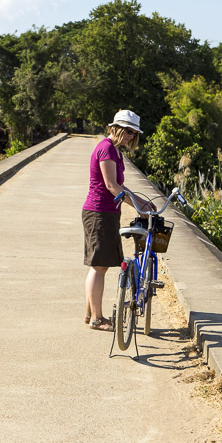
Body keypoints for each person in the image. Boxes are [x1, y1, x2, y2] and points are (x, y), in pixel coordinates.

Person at [82, 109, 153, 331]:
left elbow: (121, 186)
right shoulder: (106, 148)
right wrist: (137, 207)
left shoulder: (116, 151)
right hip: (99, 213)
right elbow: (111, 186)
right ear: (116, 128)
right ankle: (97, 319)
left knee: (99, 265)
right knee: (99, 266)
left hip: (108, 212)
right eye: (129, 131)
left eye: (134, 133)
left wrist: (142, 201)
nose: (131, 136)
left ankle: (90, 314)